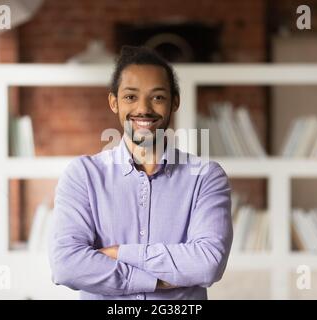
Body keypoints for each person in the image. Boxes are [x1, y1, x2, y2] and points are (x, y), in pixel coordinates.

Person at [49, 45, 232, 300]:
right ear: (114, 102)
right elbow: (66, 266)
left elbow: (208, 263)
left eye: (157, 97)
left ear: (174, 102)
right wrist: (153, 279)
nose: (143, 109)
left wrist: (118, 254)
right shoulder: (83, 175)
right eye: (131, 97)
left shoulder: (206, 177)